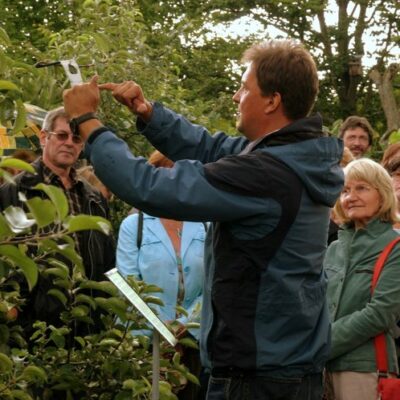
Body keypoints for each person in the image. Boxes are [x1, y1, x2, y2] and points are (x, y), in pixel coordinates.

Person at [63, 39, 344, 399]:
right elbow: (212, 148)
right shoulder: (295, 158)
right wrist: (149, 113)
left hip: (257, 379)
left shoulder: (266, 174)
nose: (235, 97)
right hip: (285, 366)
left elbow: (148, 186)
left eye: (244, 88)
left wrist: (89, 123)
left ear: (272, 100)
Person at [0, 106, 115, 340]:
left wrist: (102, 316)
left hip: (85, 327)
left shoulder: (94, 198)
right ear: (44, 138)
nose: (69, 143)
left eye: (76, 138)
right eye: (62, 135)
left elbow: (107, 264)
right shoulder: (13, 191)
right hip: (31, 329)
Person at [117, 150, 206, 399]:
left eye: (181, 176)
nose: (174, 183)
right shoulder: (134, 225)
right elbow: (128, 285)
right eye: (166, 175)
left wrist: (182, 326)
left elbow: (212, 284)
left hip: (191, 343)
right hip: (143, 342)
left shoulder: (204, 224)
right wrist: (161, 328)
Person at [324, 158, 400, 400]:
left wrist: (321, 343)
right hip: (320, 369)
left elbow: (381, 313)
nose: (351, 196)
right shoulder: (333, 249)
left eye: (361, 188)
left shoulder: (395, 246)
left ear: (383, 194)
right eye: (345, 190)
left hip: (365, 368)